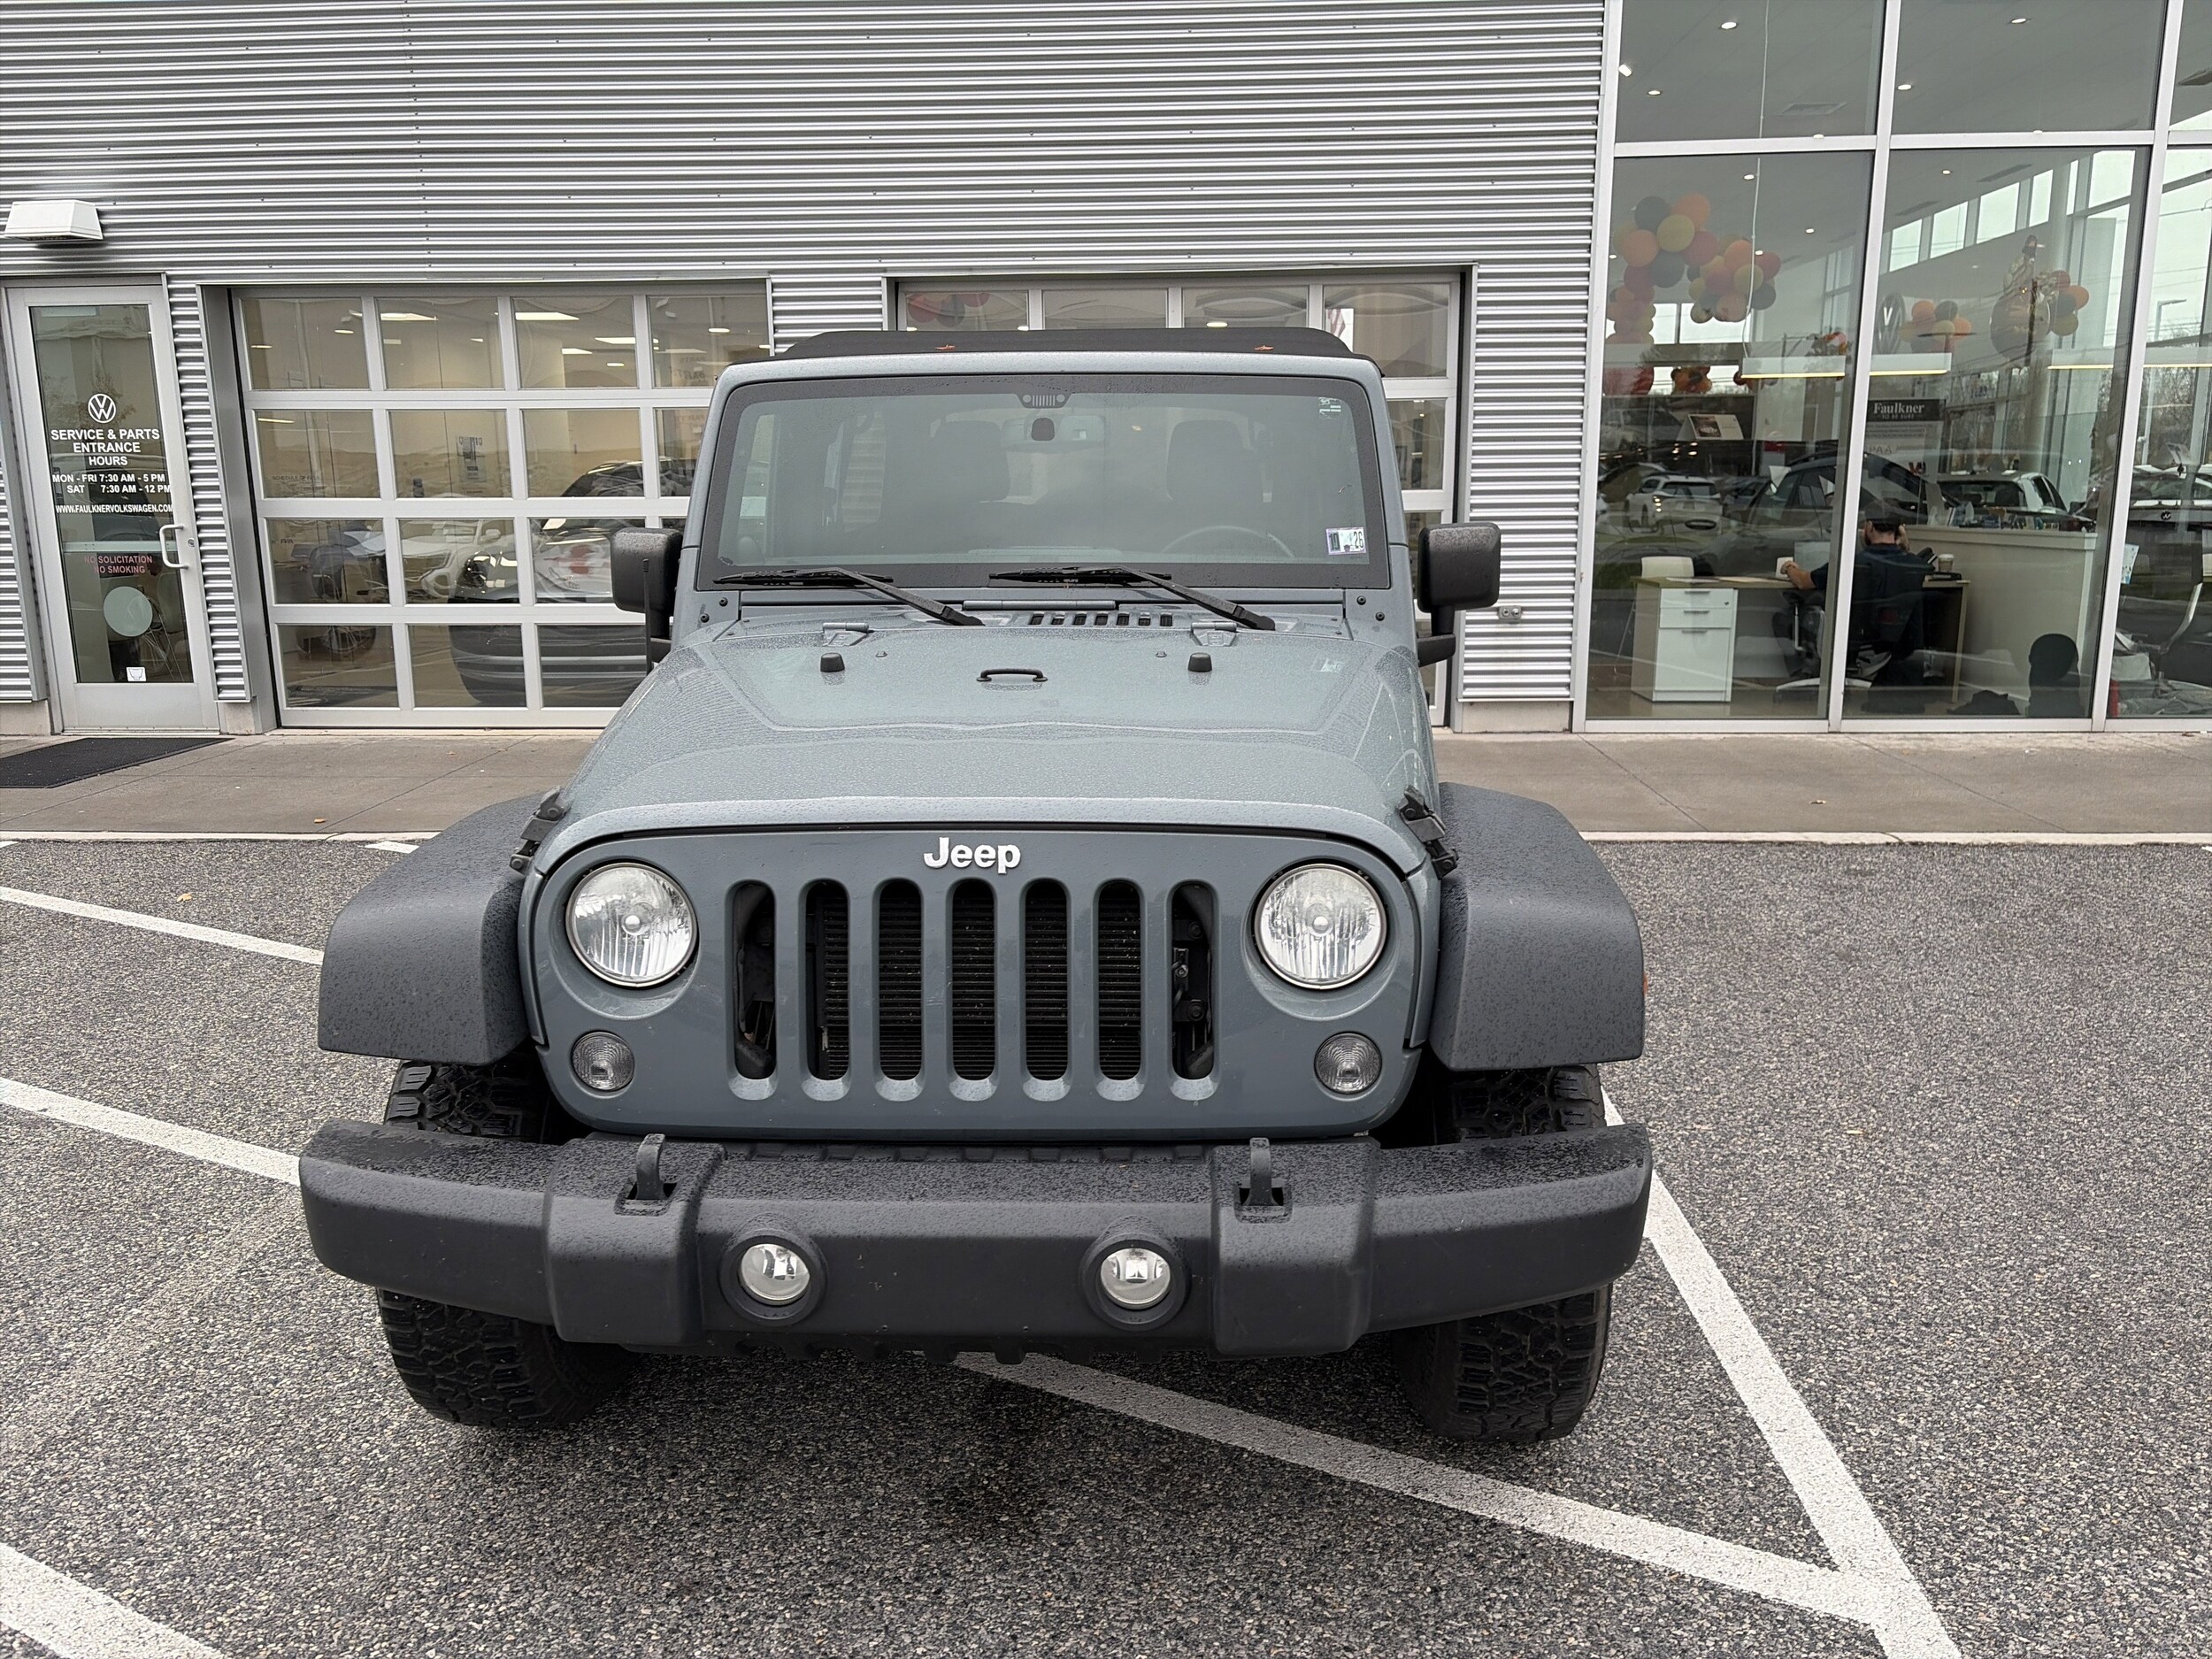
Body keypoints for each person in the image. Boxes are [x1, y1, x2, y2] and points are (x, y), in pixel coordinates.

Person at [1779, 518, 1933, 683]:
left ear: (1870, 527)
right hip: (1887, 644)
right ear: (1898, 532)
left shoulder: (1851, 563)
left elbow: (1803, 582)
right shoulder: (1913, 565)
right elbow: (1908, 561)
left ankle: (1808, 672)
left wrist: (1789, 567)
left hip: (1849, 641)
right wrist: (1903, 544)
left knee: (1783, 619)